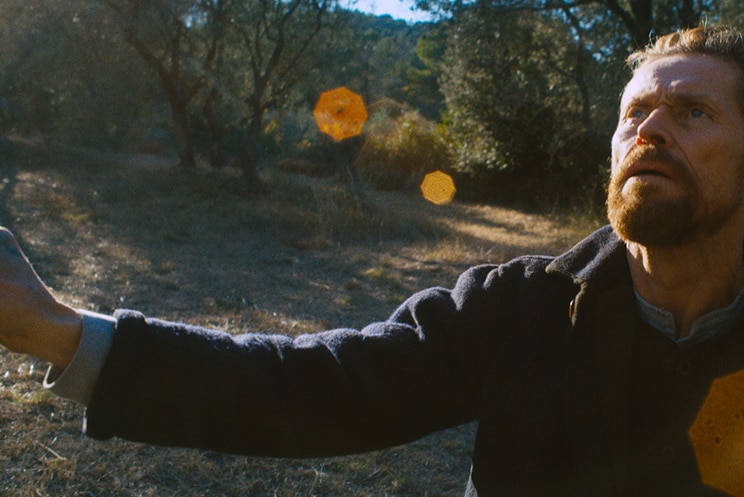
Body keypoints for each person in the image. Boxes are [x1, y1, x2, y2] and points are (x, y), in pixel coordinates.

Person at [1, 25, 744, 497]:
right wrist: (57, 329)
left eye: (692, 112)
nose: (647, 130)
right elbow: (311, 386)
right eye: (632, 114)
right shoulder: (523, 309)